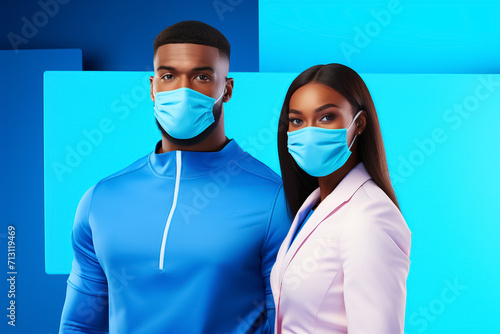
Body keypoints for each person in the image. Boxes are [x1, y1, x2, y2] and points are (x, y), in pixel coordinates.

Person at [59, 20, 291, 334]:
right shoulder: (100, 200)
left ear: (227, 89)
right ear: (153, 88)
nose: (183, 91)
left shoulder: (274, 199)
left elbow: (285, 323)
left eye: (202, 76)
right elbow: (78, 324)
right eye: (169, 76)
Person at [270, 63, 411, 334]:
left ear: (358, 123)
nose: (308, 132)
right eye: (297, 120)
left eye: (326, 117)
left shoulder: (370, 217)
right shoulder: (311, 207)